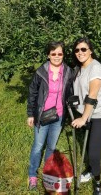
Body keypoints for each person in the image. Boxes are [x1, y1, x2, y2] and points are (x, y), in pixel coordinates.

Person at [27, 41, 73, 190]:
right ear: (48, 55)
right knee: (38, 146)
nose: (57, 56)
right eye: (53, 54)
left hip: (58, 116)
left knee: (51, 147)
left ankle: (48, 173)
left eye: (60, 53)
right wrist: (30, 114)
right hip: (41, 116)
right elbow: (32, 94)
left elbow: (71, 92)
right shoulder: (41, 72)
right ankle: (32, 174)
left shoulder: (67, 72)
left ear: (63, 55)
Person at [71, 37, 101, 195]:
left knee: (93, 152)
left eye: (83, 49)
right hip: (86, 114)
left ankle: (100, 185)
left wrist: (83, 118)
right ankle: (90, 170)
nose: (80, 53)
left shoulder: (95, 68)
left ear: (90, 51)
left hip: (99, 115)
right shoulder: (80, 68)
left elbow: (92, 95)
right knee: (88, 147)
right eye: (77, 50)